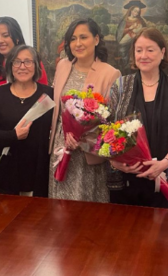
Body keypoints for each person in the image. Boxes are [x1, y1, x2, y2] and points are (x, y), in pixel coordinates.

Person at [107, 28, 168, 208]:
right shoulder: (120, 86)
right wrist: (115, 161)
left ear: (162, 52)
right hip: (125, 179)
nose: (143, 55)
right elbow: (106, 129)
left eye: (150, 49)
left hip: (164, 178)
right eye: (139, 50)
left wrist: (164, 163)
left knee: (161, 233)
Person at [48, 18, 120, 202]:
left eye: (83, 37)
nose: (78, 43)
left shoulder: (110, 73)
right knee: (58, 206)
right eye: (73, 39)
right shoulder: (63, 66)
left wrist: (82, 140)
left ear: (96, 39)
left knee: (86, 208)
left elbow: (110, 121)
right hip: (60, 144)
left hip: (88, 152)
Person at [0, 45, 53, 196]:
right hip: (2, 173)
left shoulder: (48, 95)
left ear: (36, 65)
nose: (22, 67)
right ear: (10, 66)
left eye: (28, 62)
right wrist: (13, 136)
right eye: (17, 62)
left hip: (36, 172)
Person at [0, 17, 47, 154]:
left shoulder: (33, 63)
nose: (0, 40)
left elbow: (44, 102)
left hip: (30, 139)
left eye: (5, 35)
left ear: (16, 37)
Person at [116, 0, 148, 72]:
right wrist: (129, 29)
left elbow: (143, 31)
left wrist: (136, 34)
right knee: (123, 53)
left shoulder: (140, 21)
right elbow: (120, 32)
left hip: (136, 42)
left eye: (137, 12)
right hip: (125, 42)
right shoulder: (124, 21)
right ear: (130, 10)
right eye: (134, 11)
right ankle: (125, 68)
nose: (136, 13)